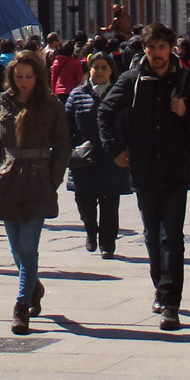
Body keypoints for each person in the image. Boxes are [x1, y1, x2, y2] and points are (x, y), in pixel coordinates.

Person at [97, 23, 190, 332]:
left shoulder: (189, 82)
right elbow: (105, 112)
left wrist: (186, 112)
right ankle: (160, 288)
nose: (157, 54)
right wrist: (115, 150)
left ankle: (170, 303)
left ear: (171, 48)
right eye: (151, 48)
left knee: (172, 237)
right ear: (145, 50)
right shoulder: (132, 80)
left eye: (162, 48)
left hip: (176, 169)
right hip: (144, 169)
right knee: (152, 236)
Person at [0, 49, 69, 334]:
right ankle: (34, 285)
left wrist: (53, 179)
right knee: (16, 250)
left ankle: (21, 306)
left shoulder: (50, 104)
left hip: (38, 180)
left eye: (28, 76)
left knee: (28, 248)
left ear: (38, 76)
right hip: (7, 181)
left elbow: (63, 145)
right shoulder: (2, 103)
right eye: (18, 76)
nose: (23, 82)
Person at [65, 52, 132, 257]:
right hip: (84, 156)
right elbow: (67, 124)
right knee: (84, 199)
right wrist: (69, 148)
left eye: (104, 67)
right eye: (96, 67)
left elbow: (129, 122)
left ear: (111, 70)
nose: (100, 71)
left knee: (110, 201)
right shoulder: (77, 94)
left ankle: (107, 242)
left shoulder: (120, 93)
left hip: (112, 155)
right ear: (89, 70)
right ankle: (91, 231)